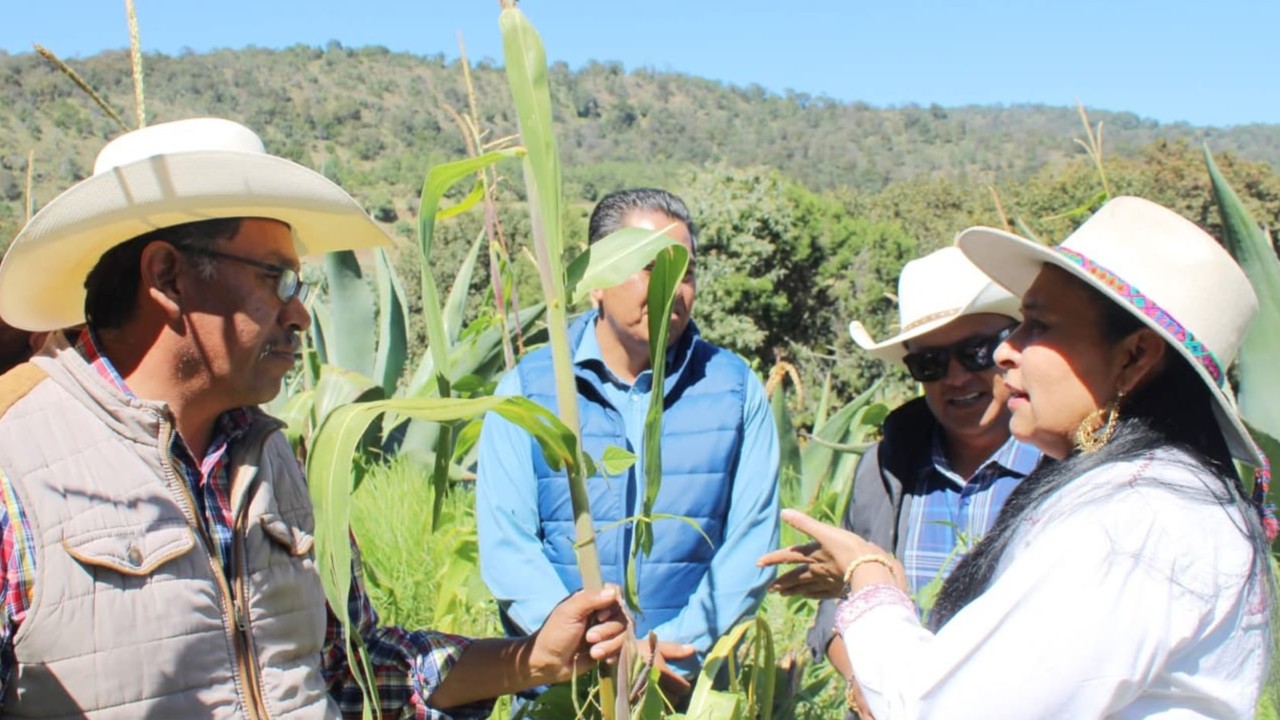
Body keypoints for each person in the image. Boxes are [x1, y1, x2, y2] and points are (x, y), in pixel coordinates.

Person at [0, 117, 628, 719]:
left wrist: (532, 659)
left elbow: (348, 669)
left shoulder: (277, 458)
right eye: (277, 279)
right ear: (167, 275)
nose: (299, 316)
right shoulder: (17, 472)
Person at [774, 196, 1276, 718]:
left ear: (1133, 356)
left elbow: (943, 710)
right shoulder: (1141, 500)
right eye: (927, 362)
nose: (1004, 352)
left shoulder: (1133, 528)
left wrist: (868, 575)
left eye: (1037, 326)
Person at [476, 188, 781, 691]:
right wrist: (583, 649)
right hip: (563, 691)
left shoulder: (734, 390)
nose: (674, 289)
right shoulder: (529, 389)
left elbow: (752, 542)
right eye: (651, 267)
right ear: (596, 280)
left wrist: (671, 651)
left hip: (687, 686)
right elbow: (508, 544)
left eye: (685, 273)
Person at [759, 247, 1042, 708]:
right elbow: (838, 605)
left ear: (1011, 348)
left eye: (976, 352)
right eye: (930, 363)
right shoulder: (886, 468)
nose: (955, 377)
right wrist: (861, 687)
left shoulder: (1064, 473)